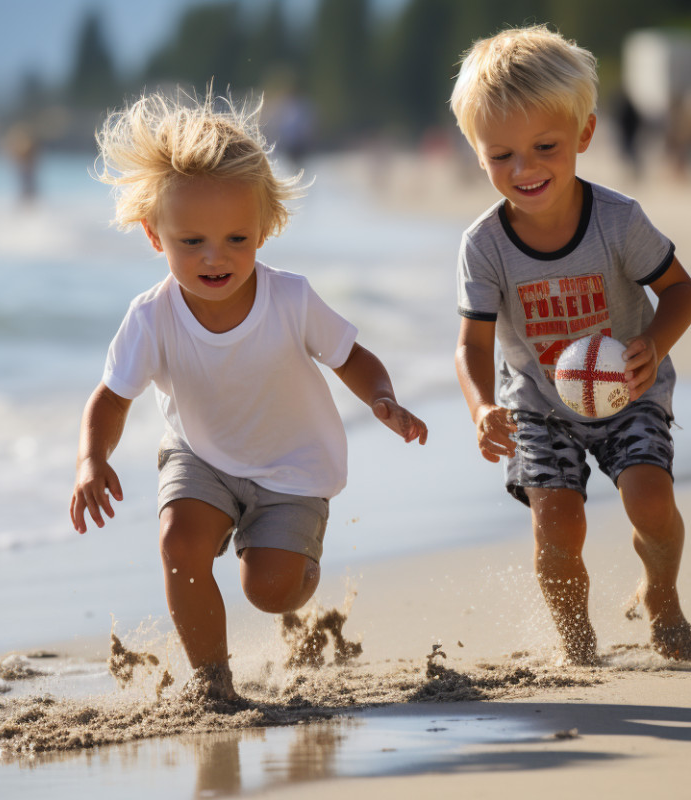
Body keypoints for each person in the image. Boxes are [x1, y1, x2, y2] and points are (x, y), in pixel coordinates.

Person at [70, 91, 428, 700]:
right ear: (156, 236)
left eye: (237, 238)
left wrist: (383, 399)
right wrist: (91, 459)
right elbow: (111, 398)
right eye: (192, 243)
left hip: (292, 467)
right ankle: (212, 682)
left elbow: (350, 356)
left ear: (265, 227)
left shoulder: (290, 299)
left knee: (269, 591)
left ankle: (296, 563)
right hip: (200, 456)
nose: (215, 258)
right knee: (178, 542)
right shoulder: (151, 316)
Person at [448, 25, 691, 664]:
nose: (525, 168)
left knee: (650, 501)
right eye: (501, 154)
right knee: (557, 525)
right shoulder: (483, 245)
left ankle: (662, 595)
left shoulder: (618, 220)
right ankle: (579, 645)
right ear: (476, 152)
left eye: (544, 146)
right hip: (537, 404)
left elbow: (682, 293)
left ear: (583, 136)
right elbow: (471, 348)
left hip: (631, 389)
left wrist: (651, 343)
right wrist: (482, 407)